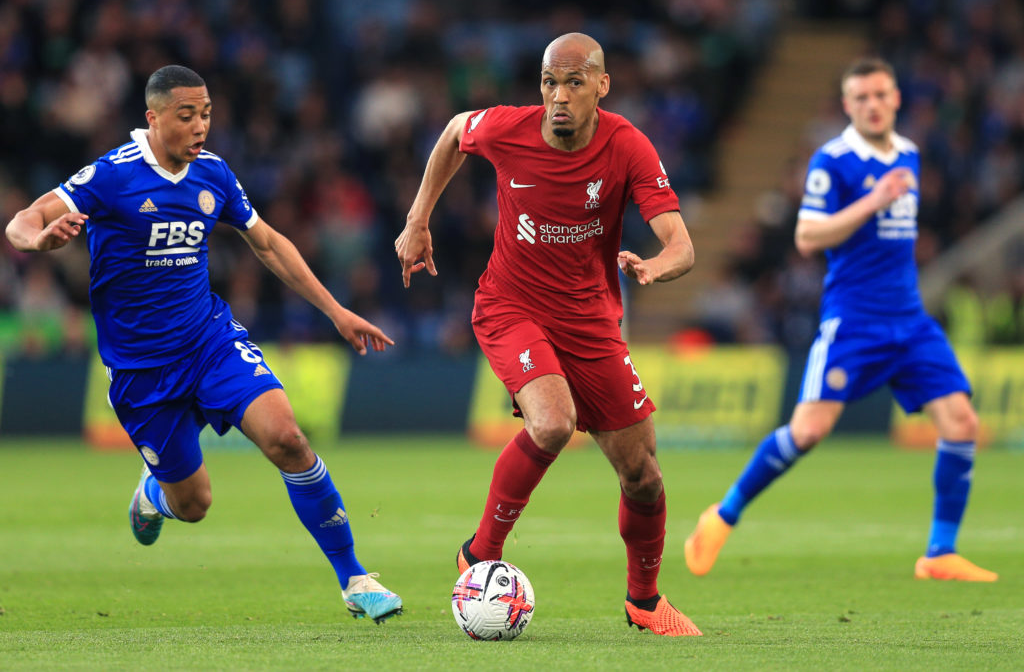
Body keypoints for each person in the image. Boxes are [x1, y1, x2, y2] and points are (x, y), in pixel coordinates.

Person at [5, 65, 405, 622]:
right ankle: (152, 496)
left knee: (288, 438)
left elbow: (266, 243)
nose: (200, 126)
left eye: (207, 113)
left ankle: (355, 578)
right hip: (142, 372)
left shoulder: (214, 174)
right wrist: (36, 241)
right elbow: (23, 220)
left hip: (209, 342)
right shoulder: (111, 177)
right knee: (194, 506)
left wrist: (335, 311)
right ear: (154, 118)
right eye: (186, 115)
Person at [396, 33, 701, 636]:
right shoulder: (510, 128)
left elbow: (682, 246)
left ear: (601, 87)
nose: (558, 97)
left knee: (643, 475)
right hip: (510, 306)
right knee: (553, 422)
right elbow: (457, 130)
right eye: (548, 83)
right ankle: (479, 554)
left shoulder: (627, 146)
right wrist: (418, 218)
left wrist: (654, 267)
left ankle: (644, 601)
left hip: (590, 321)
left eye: (573, 83)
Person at [684, 57, 998, 583]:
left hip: (910, 320)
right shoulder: (834, 162)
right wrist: (873, 200)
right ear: (848, 105)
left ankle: (940, 550)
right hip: (854, 322)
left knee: (962, 422)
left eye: (880, 95)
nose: (872, 105)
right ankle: (722, 515)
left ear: (896, 98)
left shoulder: (910, 155)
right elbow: (808, 237)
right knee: (808, 431)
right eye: (861, 98)